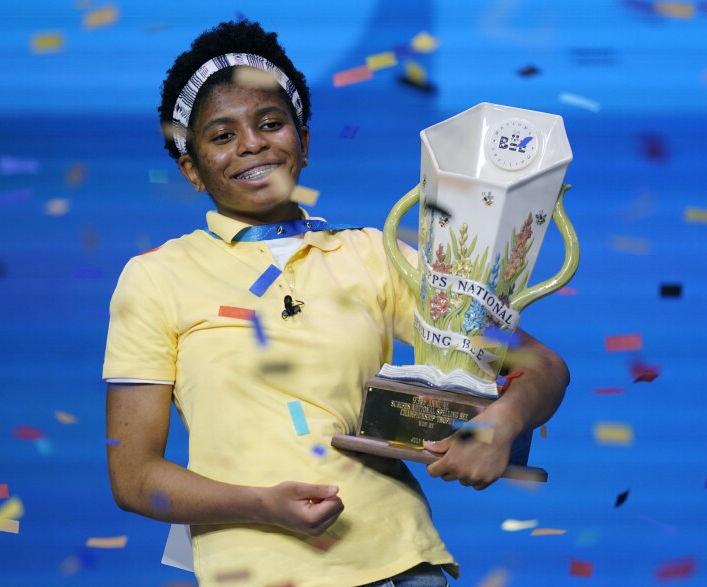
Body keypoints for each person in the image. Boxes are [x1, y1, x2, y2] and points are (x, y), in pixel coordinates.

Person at [103, 20, 569, 587]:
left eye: (270, 123)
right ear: (191, 169)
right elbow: (133, 477)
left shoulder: (375, 254)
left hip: (403, 563)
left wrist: (502, 421)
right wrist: (261, 505)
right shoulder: (156, 277)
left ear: (304, 141)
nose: (251, 143)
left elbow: (541, 367)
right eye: (221, 136)